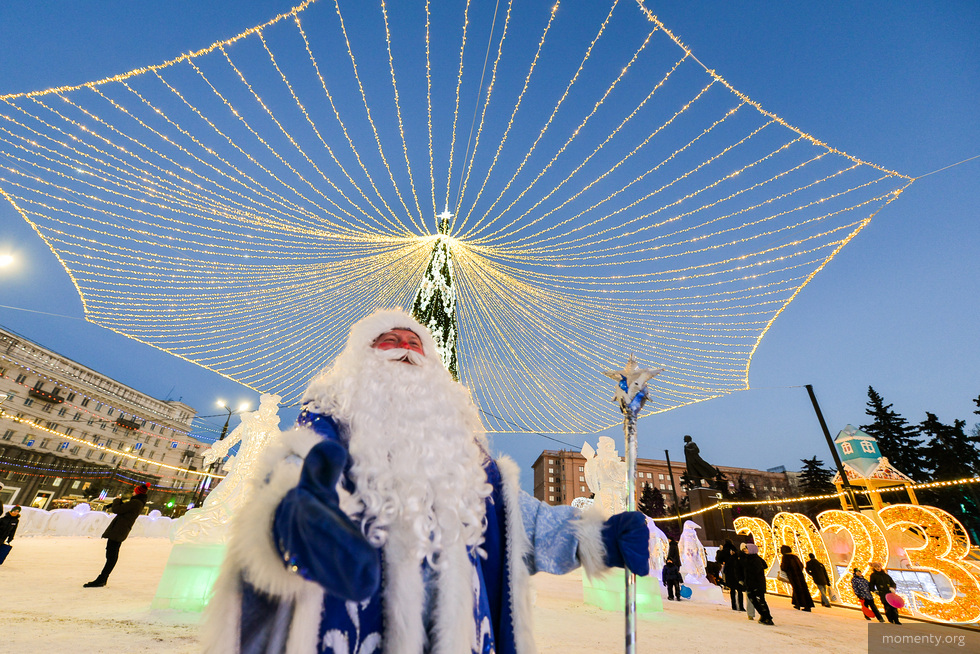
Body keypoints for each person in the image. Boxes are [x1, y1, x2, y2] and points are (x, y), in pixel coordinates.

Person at [203, 309, 651, 654]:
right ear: (360, 362)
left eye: (415, 344)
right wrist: (292, 520)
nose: (404, 349)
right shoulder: (323, 432)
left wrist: (597, 537)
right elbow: (288, 479)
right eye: (389, 341)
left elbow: (522, 524)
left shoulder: (466, 457)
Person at [84, 483, 149, 587]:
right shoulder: (136, 502)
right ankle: (102, 578)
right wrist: (118, 502)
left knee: (111, 555)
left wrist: (117, 500)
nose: (132, 492)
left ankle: (102, 578)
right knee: (110, 553)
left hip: (119, 530)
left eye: (134, 491)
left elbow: (117, 509)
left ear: (138, 492)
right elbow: (123, 508)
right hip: (119, 529)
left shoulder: (136, 502)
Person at [741, 543, 774, 625]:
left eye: (747, 549)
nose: (745, 551)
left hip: (756, 584)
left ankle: (767, 617)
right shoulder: (749, 558)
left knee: (760, 600)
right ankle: (763, 615)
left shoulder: (755, 560)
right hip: (750, 584)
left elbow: (755, 572)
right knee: (754, 600)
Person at [779, 544, 814, 611]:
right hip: (800, 576)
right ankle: (803, 604)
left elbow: (784, 567)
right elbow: (801, 565)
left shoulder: (785, 557)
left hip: (793, 576)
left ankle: (801, 604)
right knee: (803, 589)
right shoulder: (795, 557)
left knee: (797, 589)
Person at [718, 539, 744, 611]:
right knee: (739, 590)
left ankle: (734, 605)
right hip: (737, 571)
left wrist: (720, 552)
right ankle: (741, 606)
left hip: (729, 571)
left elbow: (719, 559)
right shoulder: (735, 550)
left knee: (732, 590)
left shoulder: (724, 551)